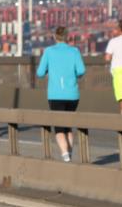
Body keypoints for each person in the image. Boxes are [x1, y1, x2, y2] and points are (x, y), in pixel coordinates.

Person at [36, 26, 86, 162]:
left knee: (59, 128)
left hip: (55, 95)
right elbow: (81, 70)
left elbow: (39, 73)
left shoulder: (49, 51)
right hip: (73, 95)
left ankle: (65, 155)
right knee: (68, 126)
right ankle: (69, 153)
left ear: (55, 37)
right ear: (67, 36)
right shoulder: (74, 51)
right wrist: (72, 74)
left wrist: (50, 71)